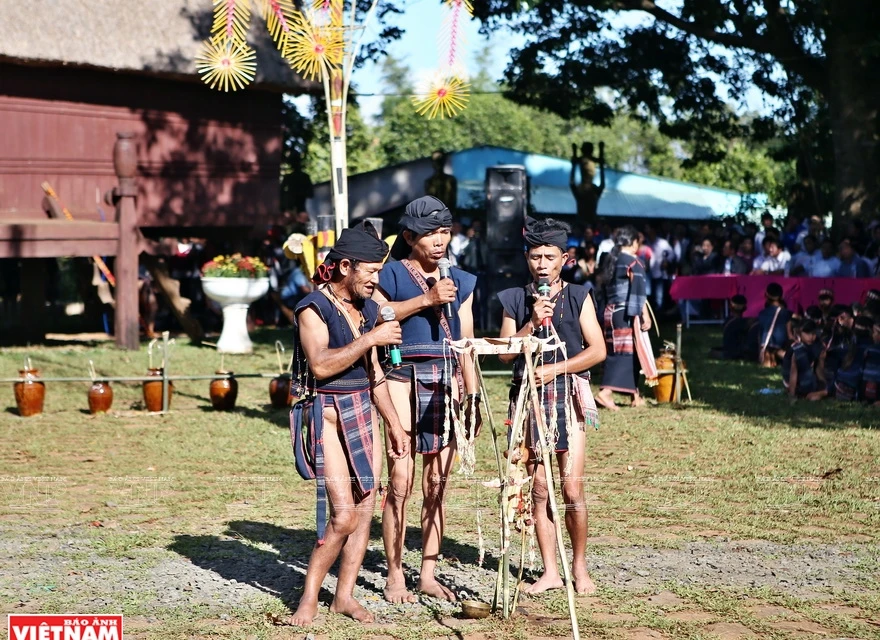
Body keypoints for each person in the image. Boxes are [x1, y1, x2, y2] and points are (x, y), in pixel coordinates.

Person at [289, 222, 409, 626]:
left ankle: (344, 597)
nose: (377, 280)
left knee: (364, 508)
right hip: (324, 412)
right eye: (371, 271)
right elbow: (321, 365)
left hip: (361, 412)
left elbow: (375, 375)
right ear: (344, 267)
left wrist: (394, 425)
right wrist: (370, 339)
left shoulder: (370, 309)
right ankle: (308, 596)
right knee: (343, 516)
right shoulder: (313, 308)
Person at [373, 195, 479, 603]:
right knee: (401, 481)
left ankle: (428, 573)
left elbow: (466, 343)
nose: (440, 240)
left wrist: (470, 395)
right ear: (409, 236)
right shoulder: (390, 275)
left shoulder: (462, 281)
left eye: (445, 231)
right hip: (400, 376)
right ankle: (396, 572)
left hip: (447, 379)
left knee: (438, 483)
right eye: (431, 233)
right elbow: (378, 316)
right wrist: (427, 300)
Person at [497, 217, 606, 595]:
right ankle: (550, 571)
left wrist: (557, 368)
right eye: (535, 256)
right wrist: (530, 322)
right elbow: (506, 355)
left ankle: (579, 567)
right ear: (526, 258)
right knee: (539, 489)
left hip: (569, 395)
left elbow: (597, 350)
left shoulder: (579, 295)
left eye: (549, 256)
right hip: (528, 398)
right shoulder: (514, 298)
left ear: (565, 258)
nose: (542, 263)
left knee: (571, 489)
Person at [595, 226, 656, 410]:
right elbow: (638, 291)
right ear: (633, 242)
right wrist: (644, 315)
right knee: (624, 354)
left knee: (626, 352)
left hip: (610, 312)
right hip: (624, 312)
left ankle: (635, 395)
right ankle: (605, 393)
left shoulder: (609, 259)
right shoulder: (632, 261)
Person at [782, 320, 821, 398]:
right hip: (794, 383)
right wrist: (792, 395)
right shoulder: (797, 349)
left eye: (813, 333)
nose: (811, 337)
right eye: (807, 333)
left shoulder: (815, 346)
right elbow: (793, 373)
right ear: (799, 333)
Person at [757, 283, 792, 367]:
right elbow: (790, 335)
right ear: (781, 296)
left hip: (765, 345)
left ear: (766, 295)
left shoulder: (762, 313)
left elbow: (759, 334)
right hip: (781, 346)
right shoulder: (786, 313)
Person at [709, 295, 749, 359]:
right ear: (745, 308)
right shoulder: (743, 323)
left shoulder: (727, 320)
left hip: (727, 350)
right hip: (735, 352)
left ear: (730, 307)